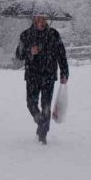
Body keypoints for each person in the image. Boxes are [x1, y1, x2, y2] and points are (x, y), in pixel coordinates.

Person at [15, 15, 69, 144]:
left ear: (46, 20)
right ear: (33, 20)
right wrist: (29, 51)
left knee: (46, 105)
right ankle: (41, 122)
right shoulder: (26, 35)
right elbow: (18, 55)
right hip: (32, 75)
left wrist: (64, 73)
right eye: (38, 19)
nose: (41, 22)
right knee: (31, 104)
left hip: (48, 75)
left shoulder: (53, 34)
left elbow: (62, 55)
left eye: (43, 19)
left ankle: (43, 135)